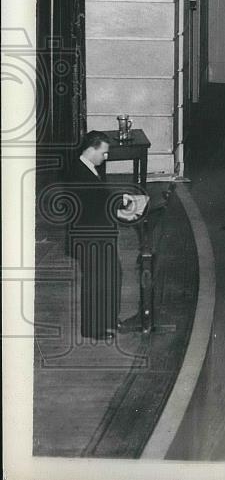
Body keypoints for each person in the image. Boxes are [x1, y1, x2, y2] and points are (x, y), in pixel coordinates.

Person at [66, 130, 134, 340]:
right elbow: (93, 202)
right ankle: (93, 329)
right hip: (89, 239)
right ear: (91, 149)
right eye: (103, 153)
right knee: (96, 282)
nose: (106, 157)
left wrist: (118, 206)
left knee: (112, 275)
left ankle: (109, 319)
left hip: (99, 235)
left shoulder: (89, 167)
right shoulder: (77, 172)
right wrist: (120, 204)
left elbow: (99, 198)